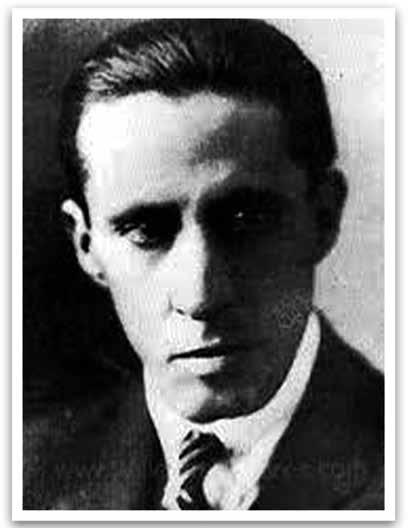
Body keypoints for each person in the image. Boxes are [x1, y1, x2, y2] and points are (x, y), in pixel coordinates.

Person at [23, 18, 384, 510]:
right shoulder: (26, 473)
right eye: (146, 231)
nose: (201, 296)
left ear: (323, 217)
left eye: (246, 221)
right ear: (86, 245)